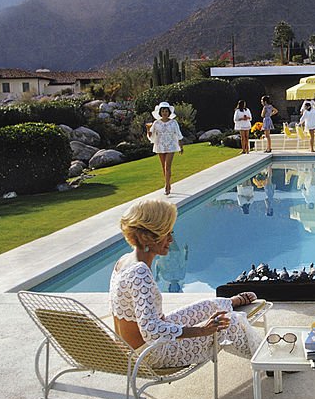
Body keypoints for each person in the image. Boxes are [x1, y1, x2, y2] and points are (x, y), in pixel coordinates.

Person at [109, 199, 262, 367]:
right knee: (230, 323)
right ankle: (267, 360)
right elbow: (151, 331)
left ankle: (229, 302)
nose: (171, 240)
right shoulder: (140, 272)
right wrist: (202, 330)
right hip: (152, 354)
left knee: (208, 306)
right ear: (148, 237)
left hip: (134, 347)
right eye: (166, 233)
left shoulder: (123, 261)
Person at [146, 102, 183, 195]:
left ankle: (166, 186)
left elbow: (178, 134)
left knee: (167, 166)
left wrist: (181, 146)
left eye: (166, 111)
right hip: (160, 146)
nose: (164, 113)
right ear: (160, 112)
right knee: (163, 167)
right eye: (163, 111)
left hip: (171, 146)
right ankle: (168, 183)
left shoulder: (173, 122)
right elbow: (151, 136)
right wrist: (148, 130)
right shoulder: (156, 123)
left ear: (169, 112)